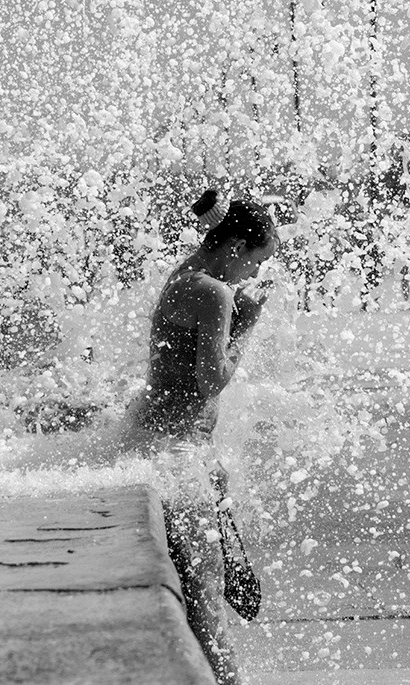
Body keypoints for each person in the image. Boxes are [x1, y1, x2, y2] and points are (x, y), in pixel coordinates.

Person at [132, 189, 277, 684]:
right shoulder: (214, 293)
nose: (254, 275)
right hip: (175, 454)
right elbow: (210, 378)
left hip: (169, 443)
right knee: (204, 591)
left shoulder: (187, 274)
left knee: (197, 585)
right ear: (236, 246)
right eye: (257, 261)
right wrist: (247, 326)